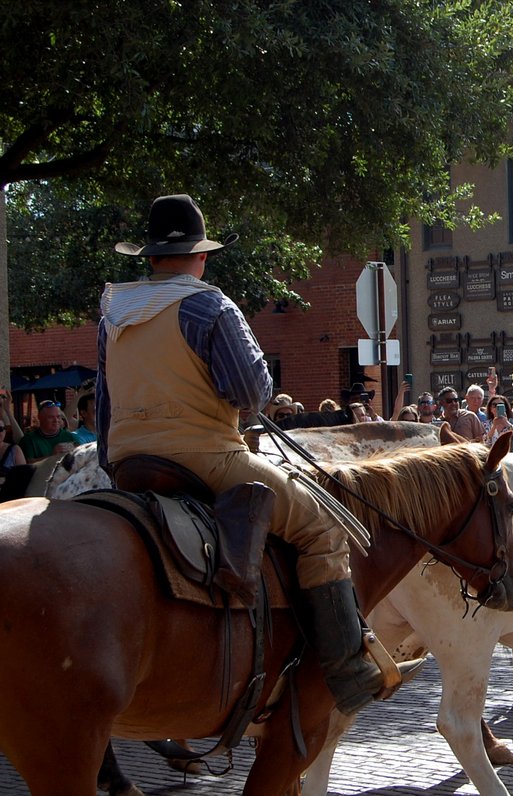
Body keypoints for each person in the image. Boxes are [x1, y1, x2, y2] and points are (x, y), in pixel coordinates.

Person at [98, 193, 401, 715]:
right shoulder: (209, 305)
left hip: (128, 463)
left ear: (149, 257)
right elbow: (252, 392)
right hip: (206, 457)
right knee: (322, 528)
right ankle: (348, 671)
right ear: (201, 256)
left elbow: (103, 405)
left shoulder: (111, 315)